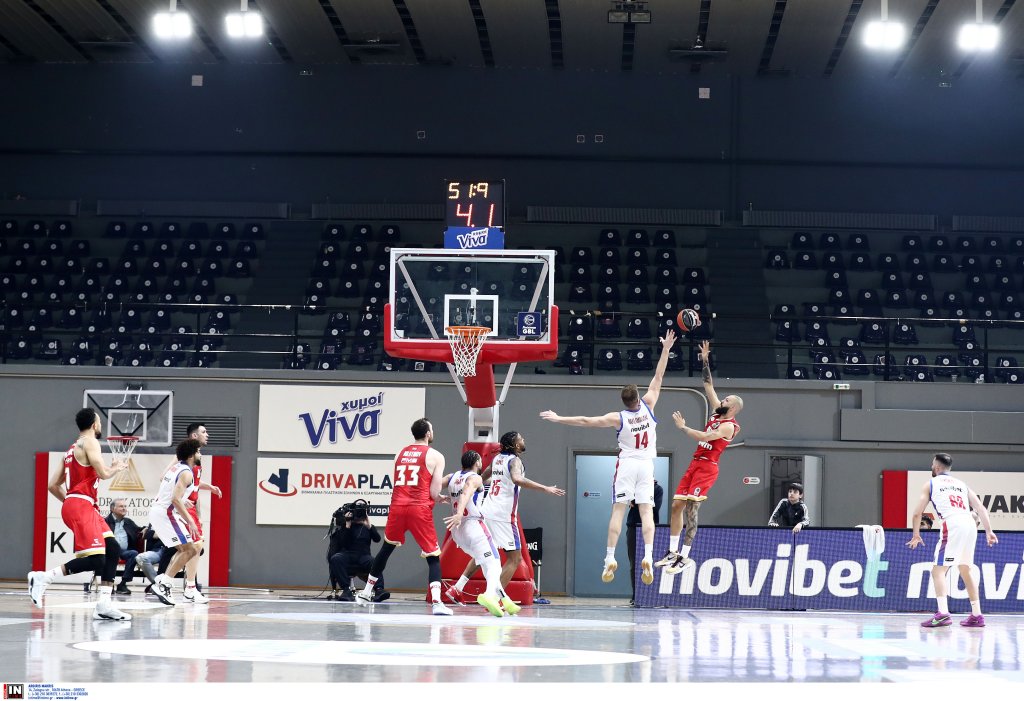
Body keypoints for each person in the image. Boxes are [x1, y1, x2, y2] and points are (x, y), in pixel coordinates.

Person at [541, 329, 676, 585]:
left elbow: (586, 421)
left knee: (618, 511)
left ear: (624, 402)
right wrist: (666, 349)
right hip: (647, 465)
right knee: (647, 512)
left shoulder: (618, 418)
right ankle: (648, 556)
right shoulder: (649, 404)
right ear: (638, 398)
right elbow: (659, 376)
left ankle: (609, 558)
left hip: (627, 465)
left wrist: (559, 418)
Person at [27, 408, 132, 621]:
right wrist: (116, 467)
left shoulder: (70, 450)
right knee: (97, 560)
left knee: (112, 547)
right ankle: (43, 578)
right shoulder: (90, 442)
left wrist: (71, 502)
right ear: (94, 424)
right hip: (81, 504)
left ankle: (104, 605)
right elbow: (103, 473)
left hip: (80, 504)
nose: (100, 425)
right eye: (100, 421)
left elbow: (52, 485)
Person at [443, 434, 564, 610]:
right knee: (515, 559)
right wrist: (545, 488)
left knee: (483, 552)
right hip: (504, 515)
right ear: (515, 444)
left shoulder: (497, 459)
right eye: (521, 438)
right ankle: (492, 597)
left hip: (487, 510)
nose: (524, 440)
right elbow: (517, 479)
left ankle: (457, 588)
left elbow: (482, 477)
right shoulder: (515, 461)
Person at [657, 339, 743, 575]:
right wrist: (705, 359)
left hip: (708, 468)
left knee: (691, 510)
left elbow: (704, 436)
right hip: (695, 463)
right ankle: (672, 552)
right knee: (676, 506)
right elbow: (708, 385)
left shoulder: (729, 426)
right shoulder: (717, 412)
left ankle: (685, 556)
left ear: (733, 408)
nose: (722, 400)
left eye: (727, 400)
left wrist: (683, 427)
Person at [354, 418, 451, 615]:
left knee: (386, 549)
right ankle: (437, 603)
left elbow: (401, 482)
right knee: (433, 556)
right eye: (432, 429)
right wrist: (439, 497)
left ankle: (366, 592)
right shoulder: (436, 456)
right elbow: (434, 493)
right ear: (428, 434)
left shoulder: (399, 453)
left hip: (397, 507)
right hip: (418, 508)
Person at [907, 452, 998, 628]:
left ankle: (943, 614)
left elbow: (917, 513)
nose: (931, 467)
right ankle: (977, 615)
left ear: (937, 467)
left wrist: (916, 534)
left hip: (952, 524)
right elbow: (980, 508)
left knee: (938, 571)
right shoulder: (962, 484)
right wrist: (989, 531)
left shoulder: (931, 483)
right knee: (965, 569)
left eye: (932, 464)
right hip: (970, 524)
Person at [443, 450, 519, 618]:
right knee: (495, 564)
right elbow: (466, 491)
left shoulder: (451, 477)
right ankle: (490, 596)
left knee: (485, 562)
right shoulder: (475, 478)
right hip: (472, 525)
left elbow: (430, 487)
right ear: (477, 462)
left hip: (458, 533)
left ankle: (504, 599)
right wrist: (459, 513)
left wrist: (437, 497)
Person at [157, 422, 221, 600]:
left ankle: (187, 586)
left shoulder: (197, 456)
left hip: (191, 507)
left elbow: (193, 484)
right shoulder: (184, 455)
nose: (207, 435)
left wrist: (209, 487)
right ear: (194, 436)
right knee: (194, 547)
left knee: (196, 547)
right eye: (204, 432)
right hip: (180, 508)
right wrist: (181, 498)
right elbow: (165, 477)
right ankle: (187, 587)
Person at [149, 439, 203, 606]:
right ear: (191, 455)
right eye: (198, 452)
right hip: (166, 513)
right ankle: (164, 584)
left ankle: (163, 580)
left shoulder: (176, 468)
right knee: (191, 549)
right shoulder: (186, 473)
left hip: (160, 511)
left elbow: (171, 492)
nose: (200, 454)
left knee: (186, 549)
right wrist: (190, 521)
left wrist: (183, 499)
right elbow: (174, 499)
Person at [327, 502, 388, 602]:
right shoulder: (345, 526)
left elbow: (377, 539)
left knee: (375, 561)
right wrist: (347, 524)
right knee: (336, 558)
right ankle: (346, 590)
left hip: (364, 556)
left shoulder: (368, 527)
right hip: (347, 555)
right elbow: (343, 543)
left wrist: (369, 526)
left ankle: (379, 589)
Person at [627, 480, 663, 605]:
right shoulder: (633, 487)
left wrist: (637, 501)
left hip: (650, 530)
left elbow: (655, 508)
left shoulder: (657, 489)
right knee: (634, 564)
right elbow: (629, 501)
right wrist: (643, 502)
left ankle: (650, 596)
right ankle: (636, 596)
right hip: (633, 527)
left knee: (649, 562)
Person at [105, 498, 142, 594]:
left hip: (124, 551)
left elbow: (139, 530)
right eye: (121, 506)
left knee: (133, 553)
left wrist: (147, 529)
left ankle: (123, 584)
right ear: (112, 509)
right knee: (110, 556)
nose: (124, 508)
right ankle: (109, 584)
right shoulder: (105, 521)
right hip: (109, 550)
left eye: (125, 506)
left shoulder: (128, 522)